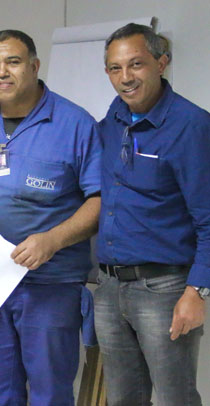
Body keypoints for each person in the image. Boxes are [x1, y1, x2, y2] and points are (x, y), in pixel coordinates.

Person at [0, 30, 101, 406]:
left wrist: (53, 240)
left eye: (12, 62)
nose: (2, 72)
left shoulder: (75, 123)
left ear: (34, 66)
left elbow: (99, 200)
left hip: (51, 285)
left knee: (50, 392)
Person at [95, 23, 210, 406]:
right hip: (109, 287)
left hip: (164, 289)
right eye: (115, 68)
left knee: (176, 398)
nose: (125, 78)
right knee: (122, 399)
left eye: (136, 64)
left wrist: (197, 292)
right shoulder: (113, 119)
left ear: (162, 63)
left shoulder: (192, 126)